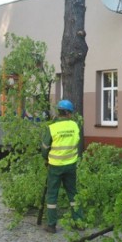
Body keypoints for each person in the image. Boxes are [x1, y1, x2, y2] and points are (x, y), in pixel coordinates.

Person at [41, 99, 83, 233]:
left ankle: (51, 225)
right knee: (73, 193)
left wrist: (46, 159)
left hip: (55, 166)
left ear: (59, 112)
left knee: (52, 194)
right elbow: (77, 142)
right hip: (71, 165)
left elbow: (45, 148)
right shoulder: (75, 126)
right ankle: (79, 222)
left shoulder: (52, 128)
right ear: (69, 113)